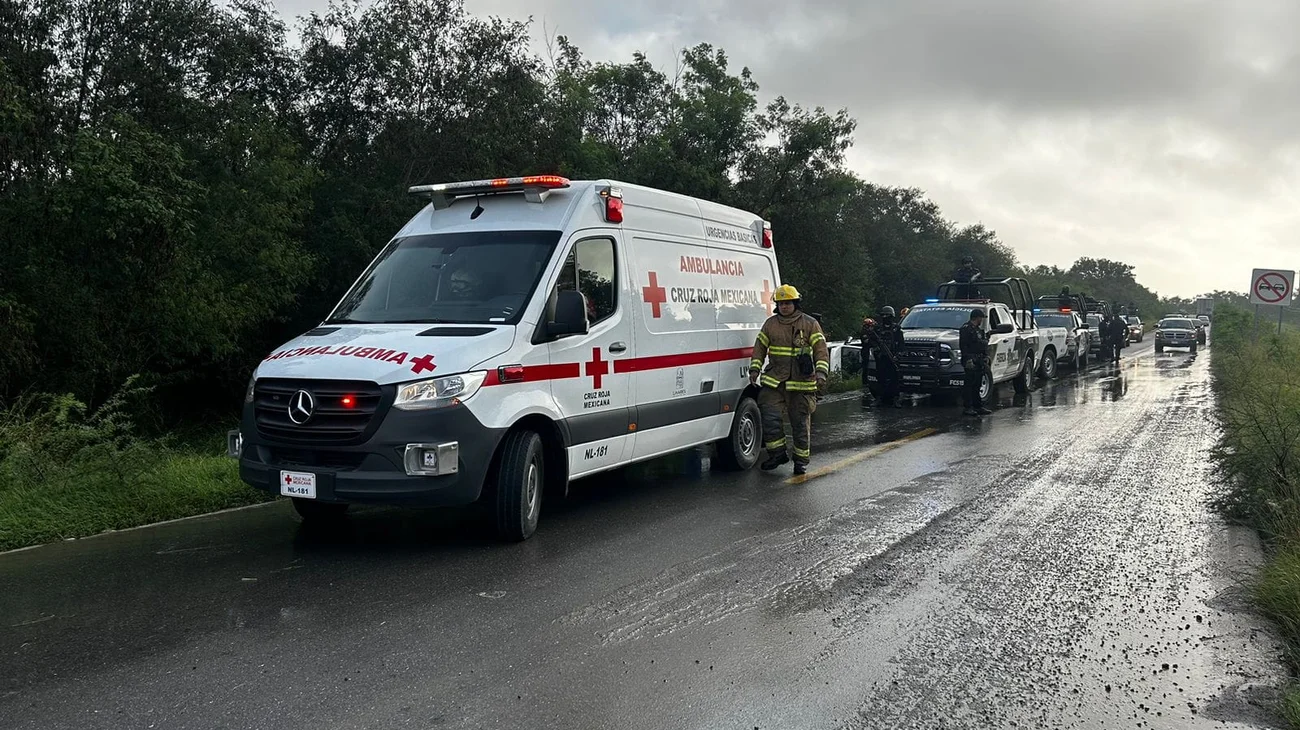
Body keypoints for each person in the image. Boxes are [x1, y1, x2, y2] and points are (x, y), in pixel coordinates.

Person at [749, 284, 830, 475]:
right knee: (769, 415)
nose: (784, 306)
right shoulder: (770, 324)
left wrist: (821, 373)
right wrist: (755, 369)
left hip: (801, 383)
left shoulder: (809, 324)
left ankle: (800, 461)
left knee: (800, 423)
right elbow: (759, 347)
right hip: (775, 380)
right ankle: (777, 454)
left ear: (795, 303)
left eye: (788, 303)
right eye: (781, 303)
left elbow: (820, 350)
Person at [862, 306, 905, 407]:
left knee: (895, 378)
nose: (885, 317)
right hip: (881, 357)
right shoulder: (877, 329)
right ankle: (879, 398)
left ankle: (895, 398)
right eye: (884, 315)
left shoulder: (896, 329)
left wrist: (898, 355)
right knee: (880, 377)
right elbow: (870, 340)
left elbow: (901, 344)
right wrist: (876, 348)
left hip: (892, 356)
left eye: (887, 315)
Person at [959, 309, 993, 417]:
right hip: (970, 359)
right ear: (977, 317)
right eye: (981, 318)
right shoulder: (966, 329)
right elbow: (963, 345)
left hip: (979, 359)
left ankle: (977, 406)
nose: (982, 320)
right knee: (969, 384)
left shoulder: (978, 330)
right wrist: (967, 359)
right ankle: (968, 407)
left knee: (977, 383)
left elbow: (982, 344)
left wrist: (986, 356)